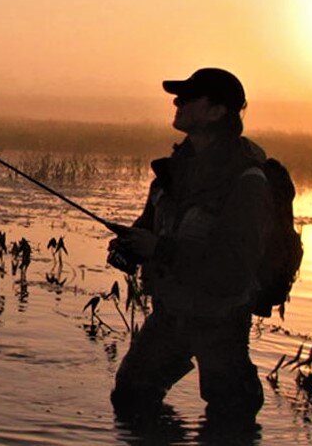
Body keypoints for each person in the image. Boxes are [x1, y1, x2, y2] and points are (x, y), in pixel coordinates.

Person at [108, 68, 272, 428]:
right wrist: (131, 245)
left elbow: (233, 269)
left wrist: (159, 250)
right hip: (170, 314)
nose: (177, 103)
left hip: (221, 322)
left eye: (188, 98)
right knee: (130, 397)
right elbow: (149, 228)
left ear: (217, 112)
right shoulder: (171, 172)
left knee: (231, 420)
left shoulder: (247, 182)